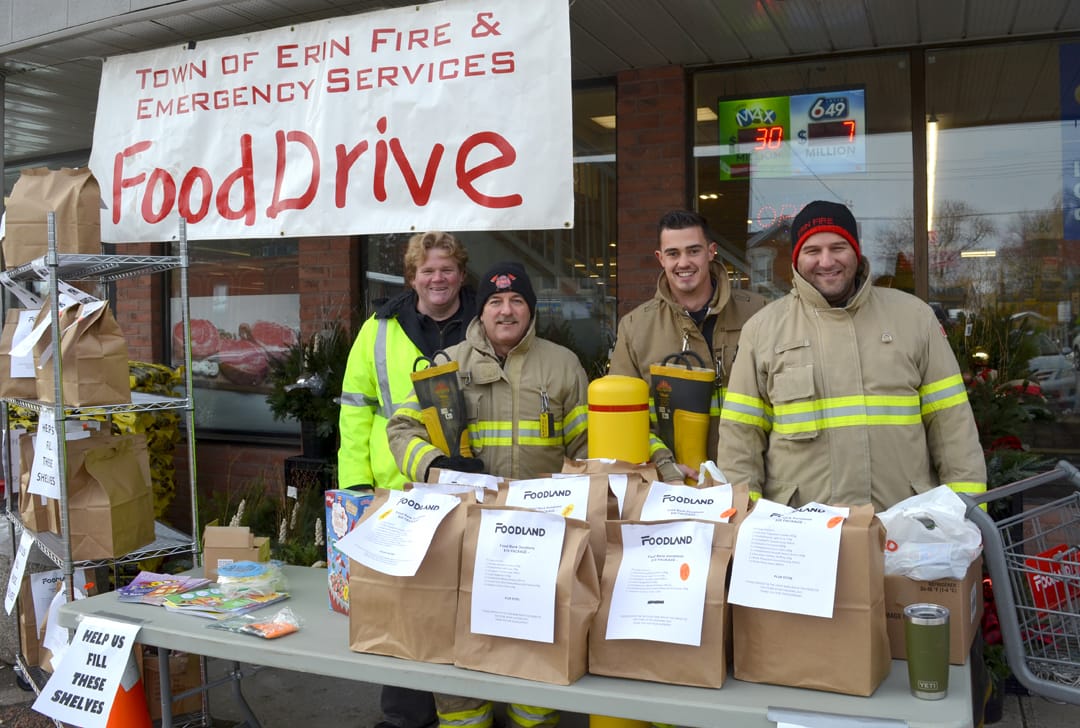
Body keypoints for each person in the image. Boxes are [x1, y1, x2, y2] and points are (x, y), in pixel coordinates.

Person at [388, 261, 588, 728]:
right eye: (495, 302)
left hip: (540, 537)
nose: (506, 310)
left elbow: (586, 448)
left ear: (531, 309)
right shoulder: (446, 365)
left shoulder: (562, 365)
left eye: (517, 300)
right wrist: (437, 466)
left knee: (537, 648)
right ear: (480, 312)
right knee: (459, 644)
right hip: (466, 536)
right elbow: (400, 430)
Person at [716, 200, 987, 511]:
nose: (826, 261)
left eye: (838, 247)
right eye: (812, 250)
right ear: (796, 259)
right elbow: (741, 440)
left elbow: (952, 427)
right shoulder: (762, 331)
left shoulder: (914, 318)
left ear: (856, 253)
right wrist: (745, 523)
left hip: (903, 527)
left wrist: (966, 516)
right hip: (800, 535)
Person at [337, 230, 474, 728]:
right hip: (394, 490)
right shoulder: (379, 329)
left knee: (461, 602)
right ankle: (405, 717)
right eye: (427, 270)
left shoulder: (483, 322)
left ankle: (465, 713)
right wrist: (353, 489)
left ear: (461, 274)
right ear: (411, 276)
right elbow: (354, 410)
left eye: (447, 269)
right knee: (400, 607)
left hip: (463, 486)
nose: (437, 278)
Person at [608, 209, 765, 482]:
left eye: (693, 251)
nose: (684, 262)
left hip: (748, 482)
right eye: (673, 253)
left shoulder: (759, 315)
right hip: (675, 488)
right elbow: (625, 418)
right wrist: (663, 466)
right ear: (660, 258)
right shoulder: (635, 329)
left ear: (711, 251)